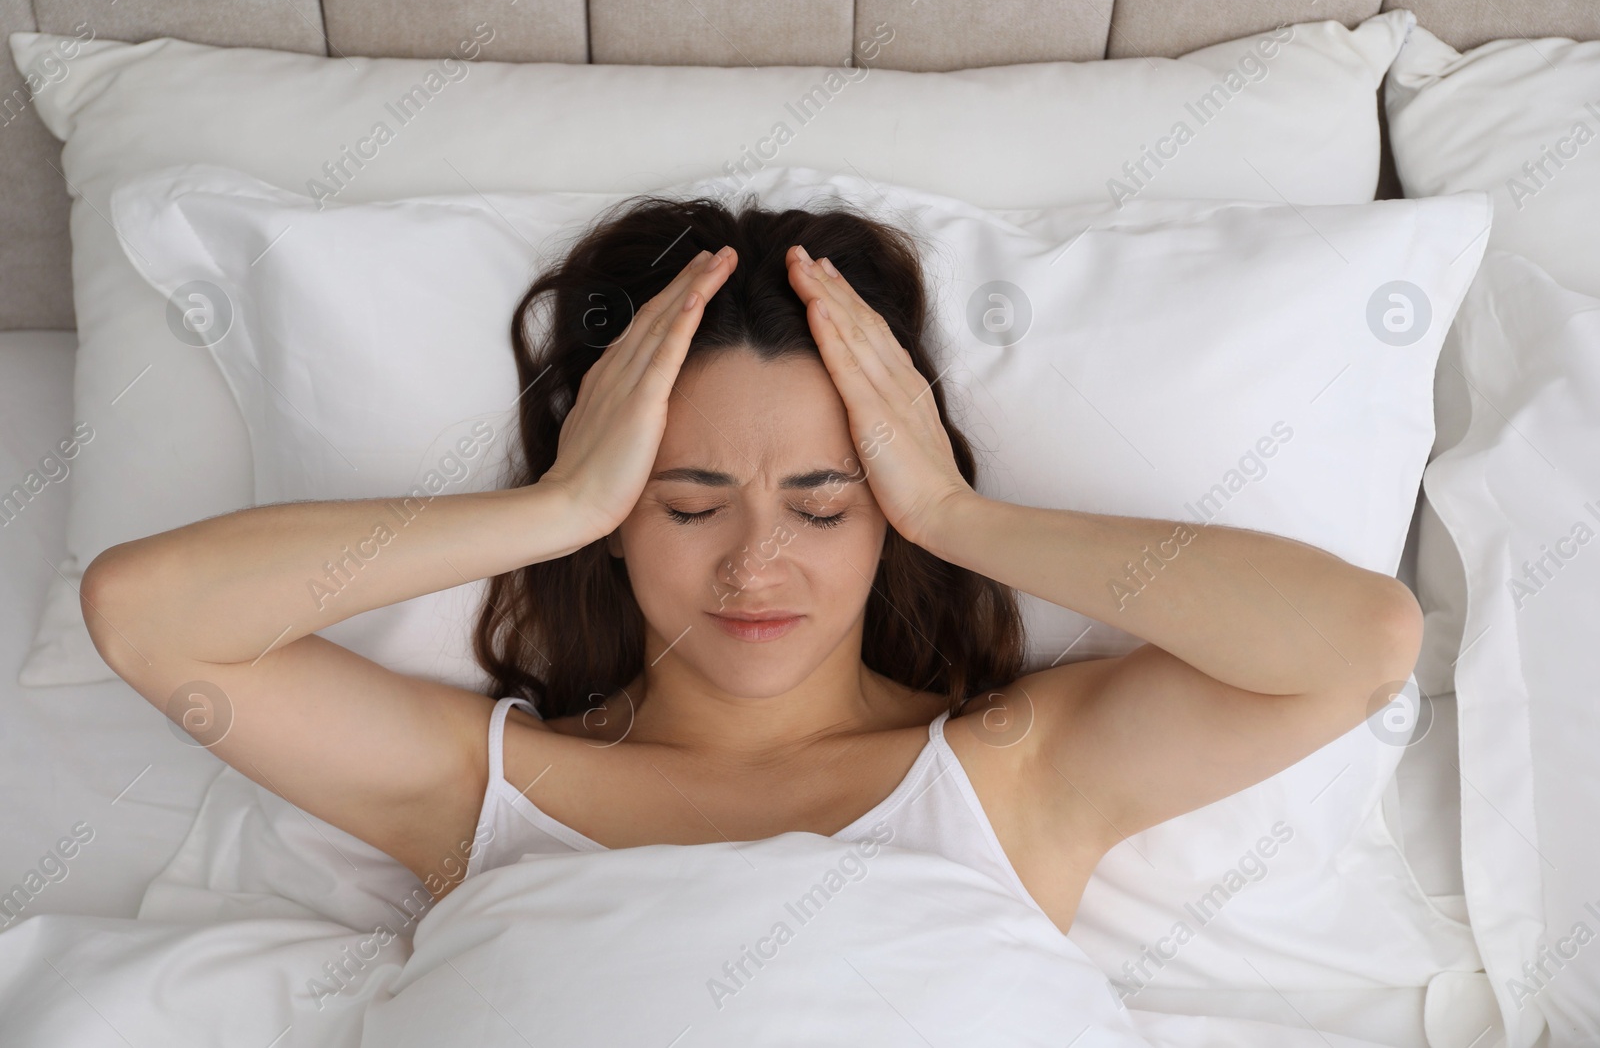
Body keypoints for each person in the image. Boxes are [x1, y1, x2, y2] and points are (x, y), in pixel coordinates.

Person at [80, 193, 1419, 937]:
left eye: (827, 505)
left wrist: (960, 517)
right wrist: (558, 504)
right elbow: (144, 615)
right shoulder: (476, 790)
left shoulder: (1018, 774)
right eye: (688, 503)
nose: (756, 563)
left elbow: (1361, 644)